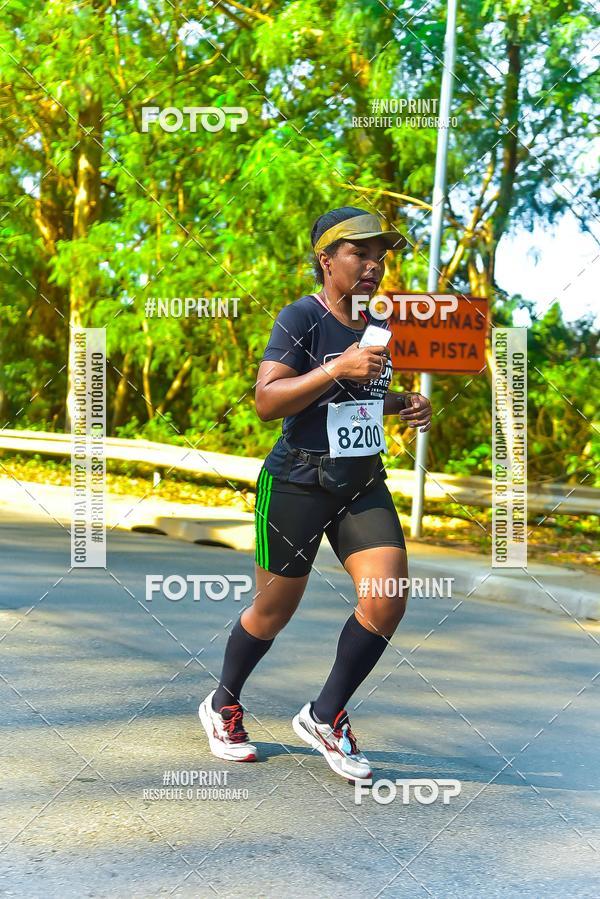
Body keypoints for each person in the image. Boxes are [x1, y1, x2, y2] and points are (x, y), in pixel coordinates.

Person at [199, 206, 433, 781]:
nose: (374, 265)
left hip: (360, 481)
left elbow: (356, 404)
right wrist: (339, 368)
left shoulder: (379, 324)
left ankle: (326, 715)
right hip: (298, 479)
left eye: (381, 255)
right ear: (326, 260)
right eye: (360, 253)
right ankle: (223, 702)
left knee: (387, 598)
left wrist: (401, 404)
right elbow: (268, 400)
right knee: (274, 610)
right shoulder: (300, 316)